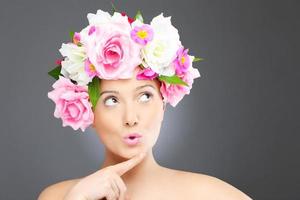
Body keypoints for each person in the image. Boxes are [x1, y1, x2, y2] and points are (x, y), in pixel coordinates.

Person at [38, 8, 253, 200]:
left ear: (164, 103)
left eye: (145, 96)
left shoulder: (209, 195)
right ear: (88, 111)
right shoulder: (57, 197)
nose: (131, 118)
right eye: (112, 100)